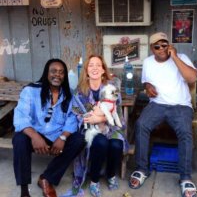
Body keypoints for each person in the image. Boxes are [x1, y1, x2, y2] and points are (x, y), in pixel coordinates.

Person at [129, 32, 197, 197]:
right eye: (157, 46)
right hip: (157, 104)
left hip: (180, 105)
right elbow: (147, 81)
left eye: (164, 45)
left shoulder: (181, 57)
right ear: (152, 49)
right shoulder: (148, 62)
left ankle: (185, 177)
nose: (161, 49)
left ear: (169, 45)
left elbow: (192, 78)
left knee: (185, 132)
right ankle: (141, 169)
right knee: (141, 125)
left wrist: (174, 57)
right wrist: (147, 86)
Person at [13, 58, 85, 197]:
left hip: (56, 137)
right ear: (46, 73)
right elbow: (20, 117)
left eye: (61, 72)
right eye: (53, 71)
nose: (57, 75)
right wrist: (34, 136)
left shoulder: (69, 95)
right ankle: (24, 190)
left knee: (79, 139)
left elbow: (72, 119)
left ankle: (47, 178)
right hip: (34, 136)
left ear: (64, 76)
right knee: (19, 139)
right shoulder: (30, 90)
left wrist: (63, 137)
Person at [70, 55, 127, 197]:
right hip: (89, 128)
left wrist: (100, 117)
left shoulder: (112, 88)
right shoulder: (79, 91)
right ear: (86, 71)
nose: (94, 68)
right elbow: (76, 113)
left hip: (111, 126)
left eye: (98, 65)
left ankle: (111, 174)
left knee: (116, 144)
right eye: (91, 65)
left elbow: (118, 112)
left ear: (103, 70)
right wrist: (92, 120)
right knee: (100, 142)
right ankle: (94, 181)